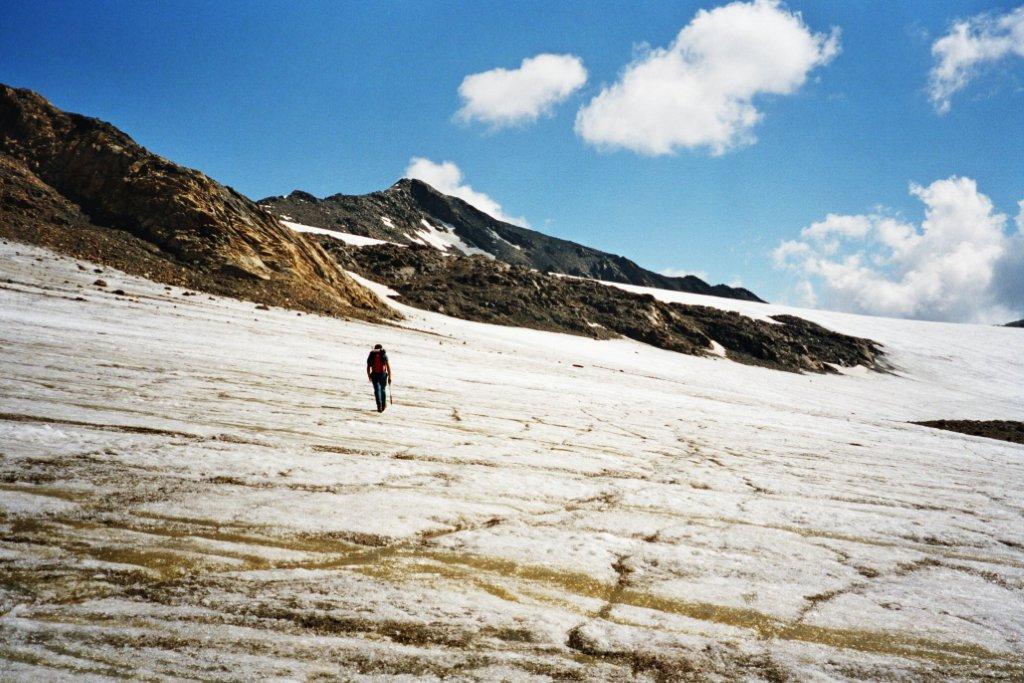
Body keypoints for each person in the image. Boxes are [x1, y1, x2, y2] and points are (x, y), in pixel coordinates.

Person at [366, 343, 392, 412]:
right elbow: (388, 366)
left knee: (377, 390)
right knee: (382, 390)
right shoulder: (383, 354)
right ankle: (383, 405)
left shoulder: (372, 354)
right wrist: (390, 377)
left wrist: (369, 375)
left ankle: (379, 406)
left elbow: (368, 366)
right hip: (383, 374)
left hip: (374, 374)